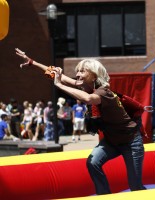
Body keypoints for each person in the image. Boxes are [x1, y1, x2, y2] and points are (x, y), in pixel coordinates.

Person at [16, 48, 146, 195]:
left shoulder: (104, 93)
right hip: (112, 142)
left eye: (82, 71)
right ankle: (104, 196)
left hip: (130, 143)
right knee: (92, 163)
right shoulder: (86, 87)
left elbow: (88, 99)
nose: (77, 74)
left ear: (94, 75)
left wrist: (59, 85)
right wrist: (33, 63)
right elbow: (60, 76)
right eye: (78, 71)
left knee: (136, 187)